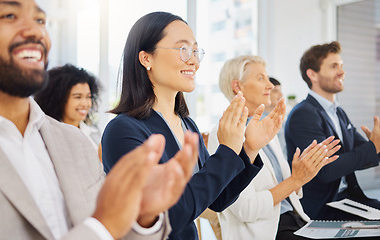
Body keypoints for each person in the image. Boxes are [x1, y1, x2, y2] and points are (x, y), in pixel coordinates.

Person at [0, 0, 200, 239]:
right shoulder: (123, 128)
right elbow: (105, 227)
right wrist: (103, 226)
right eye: (9, 15)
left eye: (40, 20)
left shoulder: (74, 142)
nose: (36, 31)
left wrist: (143, 218)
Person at [101, 12, 286, 240]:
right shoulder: (123, 131)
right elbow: (169, 215)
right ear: (146, 58)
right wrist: (227, 152)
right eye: (183, 49)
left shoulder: (187, 124)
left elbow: (217, 200)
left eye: (196, 51)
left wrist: (249, 149)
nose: (194, 61)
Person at [207, 55, 340, 240]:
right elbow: (247, 210)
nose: (270, 85)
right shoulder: (223, 133)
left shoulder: (265, 124)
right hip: (267, 232)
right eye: (261, 78)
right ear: (238, 86)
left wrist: (304, 170)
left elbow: (286, 189)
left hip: (295, 219)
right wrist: (295, 180)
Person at [285, 41, 380, 220]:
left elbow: (361, 154)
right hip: (322, 208)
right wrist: (372, 147)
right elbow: (324, 170)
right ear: (312, 74)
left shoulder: (338, 112)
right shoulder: (303, 114)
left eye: (341, 66)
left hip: (347, 200)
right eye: (334, 66)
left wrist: (377, 146)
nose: (342, 72)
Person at [34, 64, 103, 159]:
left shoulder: (94, 133)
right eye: (78, 97)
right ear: (59, 99)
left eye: (88, 97)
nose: (85, 103)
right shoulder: (46, 136)